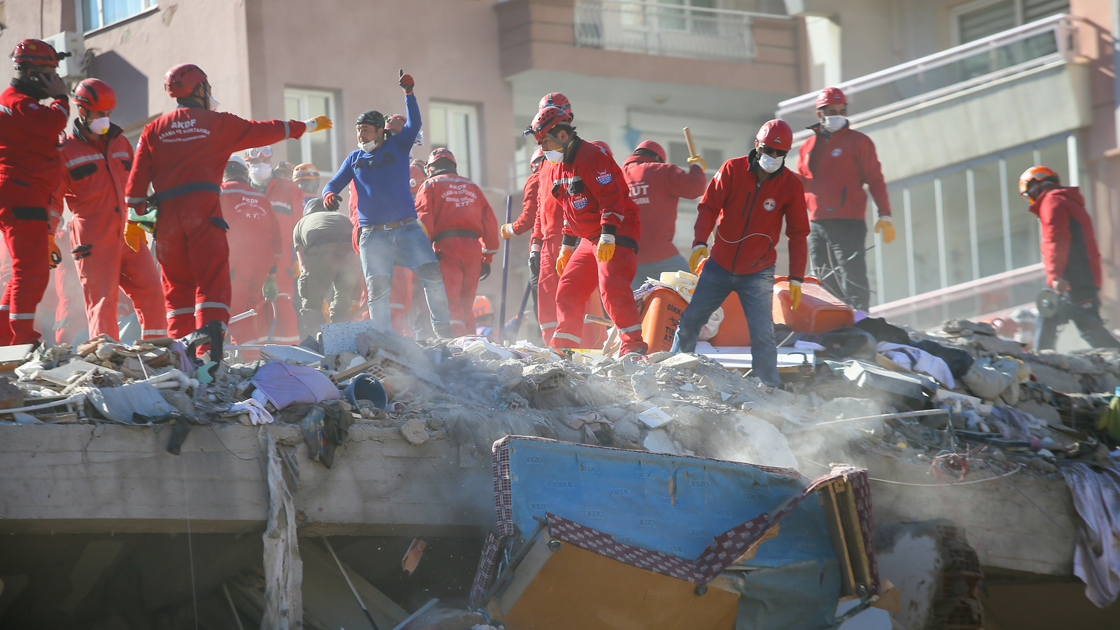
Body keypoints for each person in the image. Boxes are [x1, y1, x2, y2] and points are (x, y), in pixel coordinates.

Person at [124, 63, 331, 340]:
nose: (210, 93)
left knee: (176, 293)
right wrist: (305, 126)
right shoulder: (218, 124)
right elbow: (264, 130)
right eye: (207, 87)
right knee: (211, 286)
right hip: (203, 216)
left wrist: (134, 219)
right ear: (199, 90)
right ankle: (207, 359)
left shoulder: (153, 130)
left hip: (167, 223)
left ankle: (182, 361)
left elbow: (135, 184)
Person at [672, 120, 810, 388]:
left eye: (780, 154)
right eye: (769, 150)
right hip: (719, 265)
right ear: (757, 145)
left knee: (763, 334)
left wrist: (796, 277)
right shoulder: (732, 170)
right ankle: (676, 373)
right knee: (690, 321)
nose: (773, 157)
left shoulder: (790, 185)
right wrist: (699, 242)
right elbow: (708, 207)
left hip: (758, 271)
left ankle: (768, 388)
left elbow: (798, 234)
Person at [322, 71, 452, 337]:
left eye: (366, 131)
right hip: (372, 236)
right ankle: (383, 339)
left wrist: (409, 94)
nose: (361, 136)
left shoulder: (398, 146)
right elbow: (332, 184)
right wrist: (328, 195)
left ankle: (444, 335)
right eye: (358, 131)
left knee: (432, 278)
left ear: (380, 131)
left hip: (407, 229)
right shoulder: (354, 159)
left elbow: (414, 122)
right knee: (377, 290)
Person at [527, 106, 647, 356]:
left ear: (562, 136)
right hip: (589, 238)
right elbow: (570, 210)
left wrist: (608, 234)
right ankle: (564, 349)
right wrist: (566, 247)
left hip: (617, 229)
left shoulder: (592, 156)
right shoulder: (558, 166)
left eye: (545, 142)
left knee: (611, 285)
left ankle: (633, 347)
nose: (544, 149)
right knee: (568, 288)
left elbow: (611, 198)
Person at [53, 78, 167, 342]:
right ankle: (108, 360)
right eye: (99, 114)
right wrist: (48, 235)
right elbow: (52, 198)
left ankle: (157, 350)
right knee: (103, 303)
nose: (105, 119)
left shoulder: (121, 143)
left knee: (151, 290)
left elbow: (136, 186)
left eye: (108, 114)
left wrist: (149, 221)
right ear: (82, 111)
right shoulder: (65, 151)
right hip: (93, 241)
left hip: (131, 234)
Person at [795, 87, 892, 312]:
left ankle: (860, 319)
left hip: (848, 220)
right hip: (817, 221)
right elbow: (803, 182)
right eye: (832, 110)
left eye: (842, 110)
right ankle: (833, 320)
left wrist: (884, 213)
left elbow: (875, 178)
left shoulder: (858, 142)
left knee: (852, 273)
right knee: (822, 275)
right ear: (820, 114)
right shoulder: (807, 147)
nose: (837, 115)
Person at [0, 39, 70, 345]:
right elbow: (53, 122)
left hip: (24, 193)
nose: (54, 80)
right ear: (32, 73)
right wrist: (61, 97)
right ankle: (21, 341)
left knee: (21, 273)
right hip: (22, 193)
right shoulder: (18, 101)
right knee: (32, 272)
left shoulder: (18, 103)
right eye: (50, 73)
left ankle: (5, 337)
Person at [1019, 166, 1120, 351]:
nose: (1030, 198)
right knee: (1049, 315)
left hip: (1073, 279)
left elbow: (1056, 240)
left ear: (1034, 187)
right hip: (1084, 276)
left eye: (1028, 194)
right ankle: (1042, 362)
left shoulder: (1052, 202)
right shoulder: (1068, 201)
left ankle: (1040, 365)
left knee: (1087, 329)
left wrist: (1055, 276)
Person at [414, 147, 499, 336]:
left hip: (447, 247)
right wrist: (488, 257)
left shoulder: (430, 185)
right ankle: (470, 343)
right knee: (466, 302)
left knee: (449, 300)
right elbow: (490, 223)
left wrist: (419, 255)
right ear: (453, 165)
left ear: (430, 168)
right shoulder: (473, 187)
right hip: (474, 249)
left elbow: (423, 223)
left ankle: (456, 346)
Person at [622, 140, 707, 289]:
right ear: (658, 158)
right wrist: (697, 167)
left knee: (636, 308)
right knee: (691, 293)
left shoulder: (618, 176)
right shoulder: (662, 171)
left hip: (627, 258)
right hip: (660, 253)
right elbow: (696, 187)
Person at [220, 156, 281, 345]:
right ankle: (251, 362)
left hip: (234, 265)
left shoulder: (221, 192)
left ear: (224, 173)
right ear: (244, 173)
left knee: (230, 315)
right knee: (247, 316)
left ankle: (218, 365)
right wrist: (271, 275)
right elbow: (277, 239)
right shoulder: (260, 197)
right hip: (260, 267)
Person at [245, 145, 302, 344]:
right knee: (254, 313)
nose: (259, 165)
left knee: (283, 312)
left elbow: (298, 225)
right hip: (249, 263)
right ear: (247, 164)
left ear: (271, 162)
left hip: (282, 261)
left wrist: (297, 257)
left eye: (264, 161)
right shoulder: (241, 191)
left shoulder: (288, 188)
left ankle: (289, 360)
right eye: (254, 162)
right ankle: (256, 362)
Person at [292, 181, 361, 340]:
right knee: (342, 308)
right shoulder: (341, 217)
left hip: (321, 251)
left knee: (311, 307)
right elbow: (356, 246)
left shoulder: (301, 224)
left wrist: (314, 295)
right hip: (350, 255)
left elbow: (303, 264)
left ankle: (321, 341)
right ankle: (343, 344)